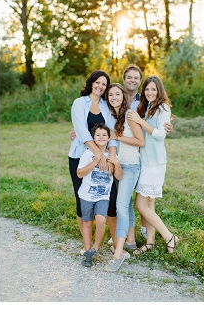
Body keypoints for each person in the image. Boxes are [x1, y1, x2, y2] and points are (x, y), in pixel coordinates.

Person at [69, 65, 173, 241]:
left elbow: (148, 124)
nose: (132, 80)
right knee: (101, 199)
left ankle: (144, 234)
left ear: (139, 81)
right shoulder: (101, 102)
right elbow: (93, 128)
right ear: (124, 80)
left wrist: (166, 125)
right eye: (129, 77)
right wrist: (82, 135)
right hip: (99, 156)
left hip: (135, 157)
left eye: (136, 78)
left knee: (137, 200)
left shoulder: (143, 101)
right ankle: (101, 239)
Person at [126, 75, 180, 255]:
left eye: (153, 89)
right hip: (146, 161)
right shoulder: (148, 107)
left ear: (159, 91)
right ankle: (150, 242)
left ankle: (169, 236)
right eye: (147, 89)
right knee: (149, 204)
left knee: (140, 205)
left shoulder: (163, 107)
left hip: (155, 163)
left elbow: (159, 135)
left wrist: (140, 121)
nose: (149, 92)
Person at [68, 70, 117, 256]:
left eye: (104, 84)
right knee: (82, 200)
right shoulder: (79, 103)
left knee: (108, 198)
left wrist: (110, 157)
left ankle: (104, 240)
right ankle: (86, 245)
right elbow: (82, 133)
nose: (100, 86)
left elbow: (111, 134)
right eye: (97, 82)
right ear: (91, 83)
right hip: (80, 156)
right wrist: (100, 156)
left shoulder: (106, 106)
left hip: (104, 159)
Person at [105, 83, 145, 271]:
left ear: (123, 95)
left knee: (121, 206)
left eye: (117, 94)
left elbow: (140, 141)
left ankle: (118, 253)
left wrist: (117, 137)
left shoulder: (129, 114)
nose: (114, 97)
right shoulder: (113, 116)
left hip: (131, 167)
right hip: (119, 166)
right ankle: (130, 241)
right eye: (110, 95)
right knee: (126, 205)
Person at [75, 123, 123, 267]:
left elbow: (119, 177)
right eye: (98, 135)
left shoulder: (111, 156)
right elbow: (79, 173)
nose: (101, 137)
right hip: (86, 196)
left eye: (104, 135)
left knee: (101, 220)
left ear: (109, 138)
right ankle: (87, 250)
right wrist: (95, 161)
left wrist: (117, 164)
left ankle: (94, 249)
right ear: (93, 138)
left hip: (103, 196)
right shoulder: (88, 154)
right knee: (88, 222)